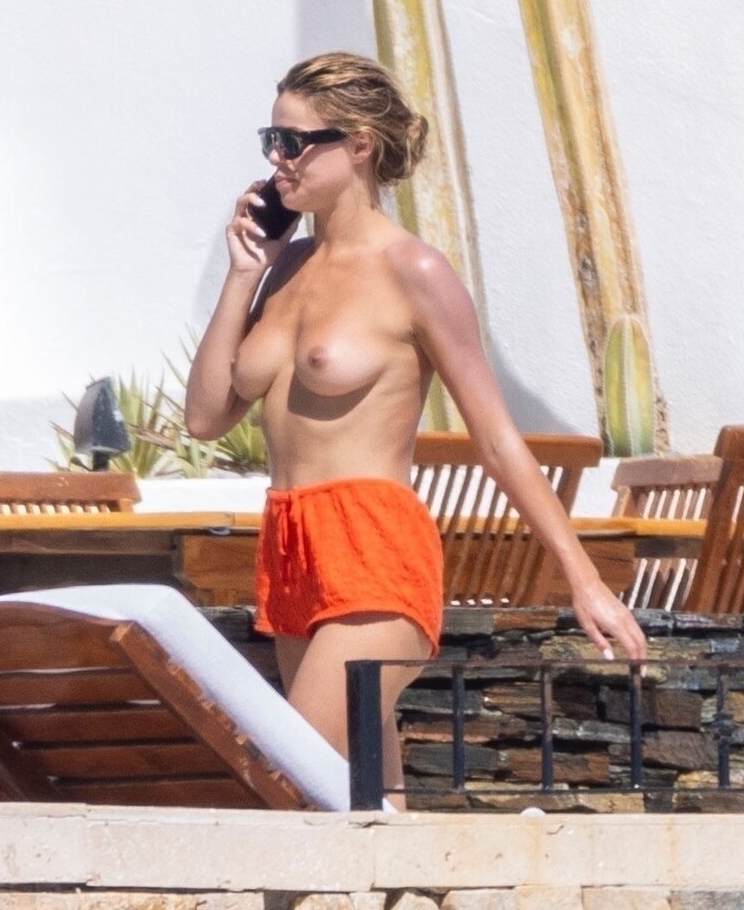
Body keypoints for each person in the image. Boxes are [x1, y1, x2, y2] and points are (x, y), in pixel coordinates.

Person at [185, 51, 647, 807]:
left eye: (293, 141)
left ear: (359, 145)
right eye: (271, 140)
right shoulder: (284, 268)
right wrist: (243, 274)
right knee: (361, 798)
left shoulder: (414, 271)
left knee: (282, 777)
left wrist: (582, 577)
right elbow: (206, 418)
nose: (276, 160)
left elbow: (496, 438)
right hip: (292, 544)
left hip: (372, 546)